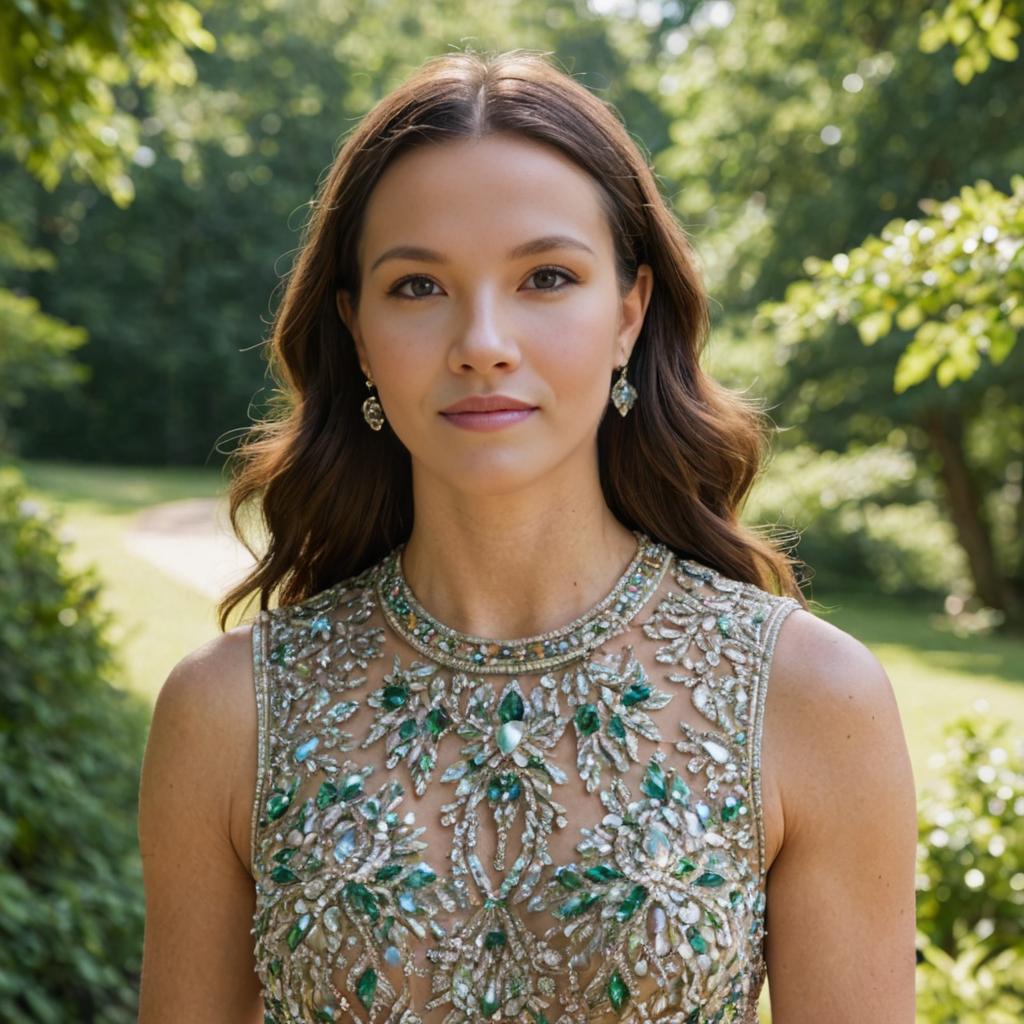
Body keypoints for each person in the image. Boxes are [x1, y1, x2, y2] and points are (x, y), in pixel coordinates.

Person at [137, 49, 918, 1024]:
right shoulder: (227, 713)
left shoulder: (809, 697)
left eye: (546, 277)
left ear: (628, 314)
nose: (483, 340)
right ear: (358, 334)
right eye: (417, 286)